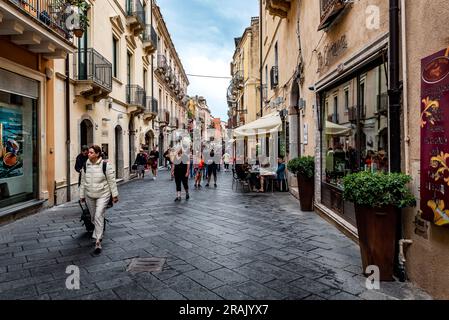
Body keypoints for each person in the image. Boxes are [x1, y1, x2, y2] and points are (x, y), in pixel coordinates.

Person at [80, 145, 119, 255]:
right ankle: (97, 232)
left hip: (103, 194)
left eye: (91, 152)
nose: (89, 154)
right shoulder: (85, 166)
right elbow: (83, 182)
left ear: (97, 154)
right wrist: (81, 195)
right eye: (89, 152)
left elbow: (111, 181)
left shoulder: (105, 165)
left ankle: (98, 240)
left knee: (98, 215)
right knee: (93, 217)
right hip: (89, 195)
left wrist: (114, 195)